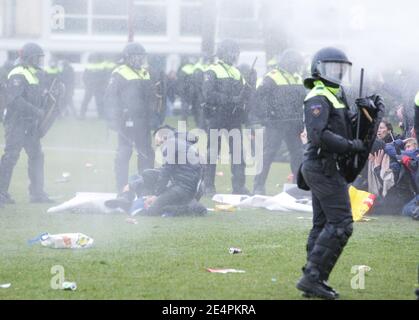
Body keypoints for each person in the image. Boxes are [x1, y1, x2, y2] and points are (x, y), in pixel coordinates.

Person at [296, 47, 384, 299]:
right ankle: (312, 277)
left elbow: (347, 129)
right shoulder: (318, 95)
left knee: (323, 224)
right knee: (341, 223)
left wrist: (368, 114)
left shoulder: (337, 94)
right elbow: (319, 135)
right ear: (318, 69)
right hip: (322, 165)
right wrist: (350, 146)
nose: (336, 72)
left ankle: (313, 278)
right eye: (331, 67)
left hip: (324, 166)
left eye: (340, 68)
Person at [105, 126, 207, 217]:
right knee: (144, 176)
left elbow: (165, 173)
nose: (158, 146)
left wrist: (156, 195)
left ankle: (192, 207)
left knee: (152, 210)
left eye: (158, 142)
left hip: (183, 188)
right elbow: (166, 171)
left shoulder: (171, 145)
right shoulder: (180, 143)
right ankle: (127, 199)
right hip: (190, 188)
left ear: (163, 137)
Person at [0, 43, 54, 205]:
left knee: (37, 156)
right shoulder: (18, 73)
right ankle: (1, 192)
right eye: (38, 58)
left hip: (30, 124)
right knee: (11, 157)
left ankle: (37, 193)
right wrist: (36, 111)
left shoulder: (35, 74)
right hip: (17, 123)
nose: (40, 61)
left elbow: (37, 98)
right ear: (29, 58)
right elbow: (15, 100)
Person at [202, 39, 256, 196]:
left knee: (238, 153)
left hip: (234, 118)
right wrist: (231, 99)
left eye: (235, 52)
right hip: (217, 116)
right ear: (223, 53)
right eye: (231, 52)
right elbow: (208, 94)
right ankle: (208, 185)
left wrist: (250, 85)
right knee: (213, 152)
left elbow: (243, 96)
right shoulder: (212, 70)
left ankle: (239, 186)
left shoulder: (236, 71)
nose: (234, 55)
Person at [252, 49, 306, 195]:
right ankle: (258, 186)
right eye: (295, 64)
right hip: (276, 123)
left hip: (293, 124)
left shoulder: (297, 77)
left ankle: (298, 185)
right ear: (288, 62)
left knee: (297, 154)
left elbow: (303, 100)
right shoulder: (272, 77)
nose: (297, 67)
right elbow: (258, 98)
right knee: (269, 154)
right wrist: (266, 116)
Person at [105, 42, 155, 194]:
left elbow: (149, 99)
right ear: (128, 58)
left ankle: (145, 187)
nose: (140, 60)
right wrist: (114, 118)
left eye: (142, 57)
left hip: (143, 121)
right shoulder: (119, 73)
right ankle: (122, 187)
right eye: (137, 57)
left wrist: (153, 116)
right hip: (126, 121)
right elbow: (110, 98)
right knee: (124, 153)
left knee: (146, 153)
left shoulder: (145, 73)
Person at [79, 53, 106, 119]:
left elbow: (104, 77)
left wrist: (101, 85)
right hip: (90, 87)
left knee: (99, 102)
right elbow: (85, 77)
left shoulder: (101, 66)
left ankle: (101, 115)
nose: (94, 60)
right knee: (85, 101)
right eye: (93, 58)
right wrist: (88, 84)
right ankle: (82, 115)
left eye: (96, 58)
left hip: (98, 88)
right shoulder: (89, 67)